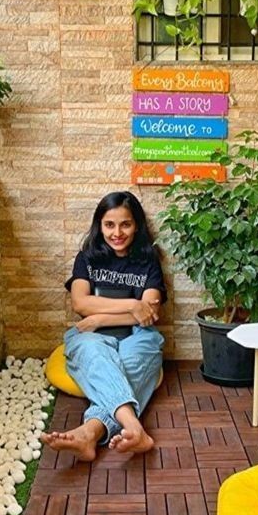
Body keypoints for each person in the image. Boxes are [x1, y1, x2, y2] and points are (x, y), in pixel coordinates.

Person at [41, 191, 166, 462]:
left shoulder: (148, 260)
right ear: (100, 226)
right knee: (96, 355)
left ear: (137, 226)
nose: (117, 233)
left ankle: (89, 432)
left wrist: (100, 318)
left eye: (126, 224)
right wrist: (131, 306)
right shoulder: (86, 258)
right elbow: (80, 303)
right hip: (91, 336)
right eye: (109, 225)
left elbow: (148, 313)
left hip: (137, 335)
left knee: (132, 364)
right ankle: (134, 427)